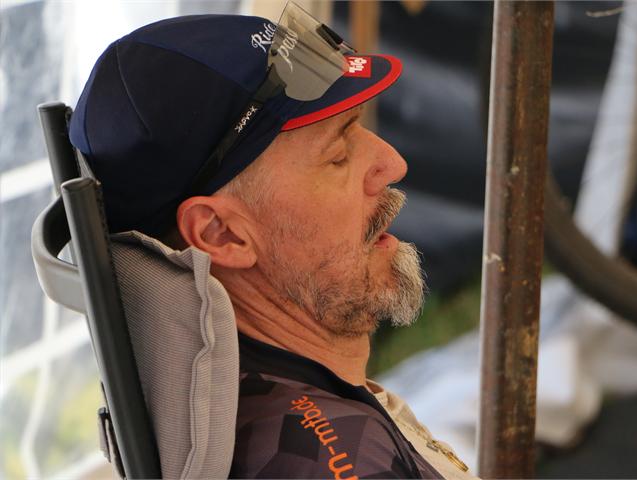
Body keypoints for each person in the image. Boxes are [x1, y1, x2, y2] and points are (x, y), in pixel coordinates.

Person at [69, 4, 474, 479]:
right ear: (222, 233)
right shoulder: (333, 462)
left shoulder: (248, 401)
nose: (393, 164)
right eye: (338, 153)